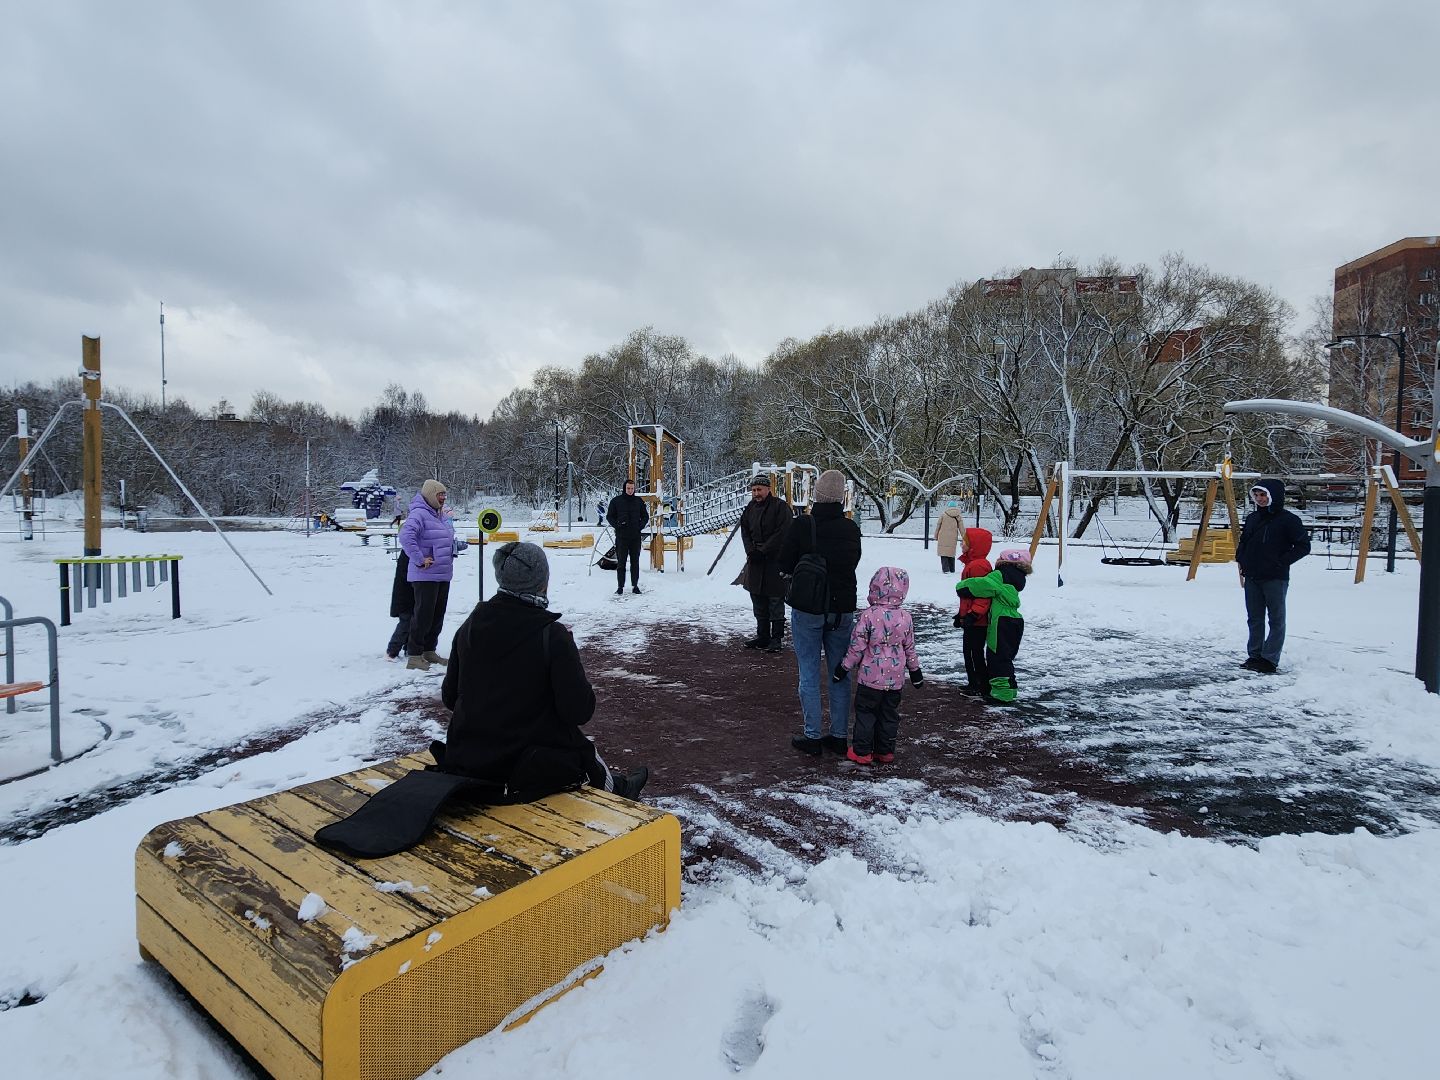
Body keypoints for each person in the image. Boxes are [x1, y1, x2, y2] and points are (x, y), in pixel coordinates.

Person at [439, 542, 649, 799]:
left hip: (466, 757)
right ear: (542, 582)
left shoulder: (469, 627)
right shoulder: (552, 635)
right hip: (524, 767)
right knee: (576, 745)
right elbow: (579, 711)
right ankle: (619, 790)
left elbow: (450, 697)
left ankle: (615, 785)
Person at [777, 469, 861, 755]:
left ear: (816, 495)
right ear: (841, 498)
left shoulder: (803, 525)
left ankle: (812, 736)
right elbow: (853, 562)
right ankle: (838, 736)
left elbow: (785, 562)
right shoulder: (851, 528)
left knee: (809, 672)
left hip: (809, 607)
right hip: (842, 610)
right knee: (840, 673)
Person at [833, 566, 923, 765]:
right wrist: (915, 672)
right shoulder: (905, 617)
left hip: (870, 677)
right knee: (889, 714)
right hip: (895, 679)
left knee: (866, 713)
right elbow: (910, 647)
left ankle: (862, 751)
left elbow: (857, 646)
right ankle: (885, 750)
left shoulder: (869, 615)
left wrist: (843, 668)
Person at [1235, 479, 1310, 673]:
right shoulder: (1252, 518)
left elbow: (1303, 546)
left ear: (1273, 496)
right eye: (1257, 495)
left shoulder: (1288, 520)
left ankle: (1270, 659)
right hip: (1252, 575)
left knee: (1276, 619)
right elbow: (1244, 542)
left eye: (1264, 495)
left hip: (1275, 577)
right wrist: (1242, 560)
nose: (1260, 499)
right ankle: (1255, 655)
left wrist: (1281, 562)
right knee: (1254, 618)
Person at [955, 548, 1031, 703]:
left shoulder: (1001, 574)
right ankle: (1009, 689)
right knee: (1005, 657)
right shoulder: (1018, 576)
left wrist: (962, 586)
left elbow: (983, 585)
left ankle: (1002, 695)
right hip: (1014, 620)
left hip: (1001, 622)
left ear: (1004, 561)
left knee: (996, 656)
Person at [398, 479, 455, 672]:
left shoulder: (438, 515)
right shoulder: (419, 514)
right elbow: (406, 536)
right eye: (440, 494)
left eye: (444, 495)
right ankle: (414, 654)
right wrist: (420, 559)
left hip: (442, 574)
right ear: (430, 494)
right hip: (425, 575)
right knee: (423, 615)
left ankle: (429, 650)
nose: (443, 498)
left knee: (437, 615)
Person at [739, 474, 793, 652]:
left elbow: (783, 532)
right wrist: (751, 551)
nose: (756, 493)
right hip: (755, 560)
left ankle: (776, 639)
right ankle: (762, 636)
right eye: (753, 490)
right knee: (757, 598)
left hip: (774, 560)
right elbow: (745, 529)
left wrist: (763, 551)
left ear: (768, 489)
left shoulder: (780, 507)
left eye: (759, 489)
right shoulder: (750, 508)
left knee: (775, 600)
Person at [953, 526, 994, 695]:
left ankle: (979, 684)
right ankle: (975, 682)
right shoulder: (973, 564)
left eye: (965, 542)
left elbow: (983, 595)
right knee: (971, 652)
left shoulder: (978, 566)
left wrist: (973, 615)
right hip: (974, 618)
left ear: (974, 546)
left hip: (978, 621)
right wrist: (961, 615)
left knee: (974, 652)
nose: (961, 544)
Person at [606, 479, 649, 595]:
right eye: (628, 488)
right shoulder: (616, 501)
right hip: (622, 537)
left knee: (635, 562)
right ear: (624, 489)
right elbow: (609, 516)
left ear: (634, 489)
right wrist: (617, 525)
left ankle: (635, 585)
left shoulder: (638, 501)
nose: (630, 490)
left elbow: (645, 516)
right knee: (621, 563)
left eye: (632, 488)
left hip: (635, 537)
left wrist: (640, 526)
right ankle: (620, 586)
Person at [385, 513, 413, 660]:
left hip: (408, 595)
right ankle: (392, 650)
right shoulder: (408, 554)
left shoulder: (407, 553)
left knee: (411, 623)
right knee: (406, 623)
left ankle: (408, 648)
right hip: (406, 595)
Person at [934, 502, 965, 573]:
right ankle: (952, 569)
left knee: (944, 553)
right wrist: (964, 537)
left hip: (943, 537)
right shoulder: (958, 516)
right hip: (953, 537)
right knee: (951, 553)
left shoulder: (943, 515)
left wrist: (936, 535)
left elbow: (938, 525)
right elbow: (962, 528)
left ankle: (945, 569)